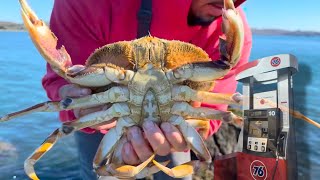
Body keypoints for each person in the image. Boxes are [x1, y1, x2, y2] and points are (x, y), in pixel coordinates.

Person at [42, 0, 252, 179]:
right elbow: (64, 75)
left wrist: (199, 128)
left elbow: (216, 100)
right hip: (103, 117)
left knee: (182, 171)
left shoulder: (233, 30)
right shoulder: (85, 3)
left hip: (176, 124)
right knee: (100, 171)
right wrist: (76, 101)